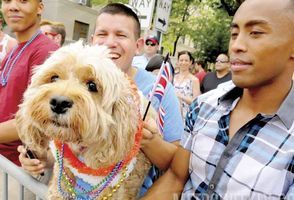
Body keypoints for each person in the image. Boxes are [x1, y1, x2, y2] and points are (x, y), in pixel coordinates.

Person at [18, 2, 183, 197]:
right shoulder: (69, 67)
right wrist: (43, 158)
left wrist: (145, 139)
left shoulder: (160, 92)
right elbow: (61, 150)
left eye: (121, 35)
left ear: (138, 45)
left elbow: (175, 166)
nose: (110, 42)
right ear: (92, 39)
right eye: (102, 34)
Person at [142, 0, 294, 199]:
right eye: (234, 34)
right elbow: (175, 179)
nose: (236, 46)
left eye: (256, 32)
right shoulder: (204, 106)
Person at [0, 0, 59, 198]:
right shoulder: (16, 49)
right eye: (7, 0)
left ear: (40, 7)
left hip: (20, 169)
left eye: (23, 0)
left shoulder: (46, 51)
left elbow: (38, 119)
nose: (13, 6)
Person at [174, 50, 201, 121]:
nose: (183, 62)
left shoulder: (194, 80)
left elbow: (196, 102)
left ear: (190, 62)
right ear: (178, 61)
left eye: (186, 60)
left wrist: (180, 96)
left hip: (185, 117)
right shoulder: (173, 78)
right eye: (181, 60)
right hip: (172, 114)